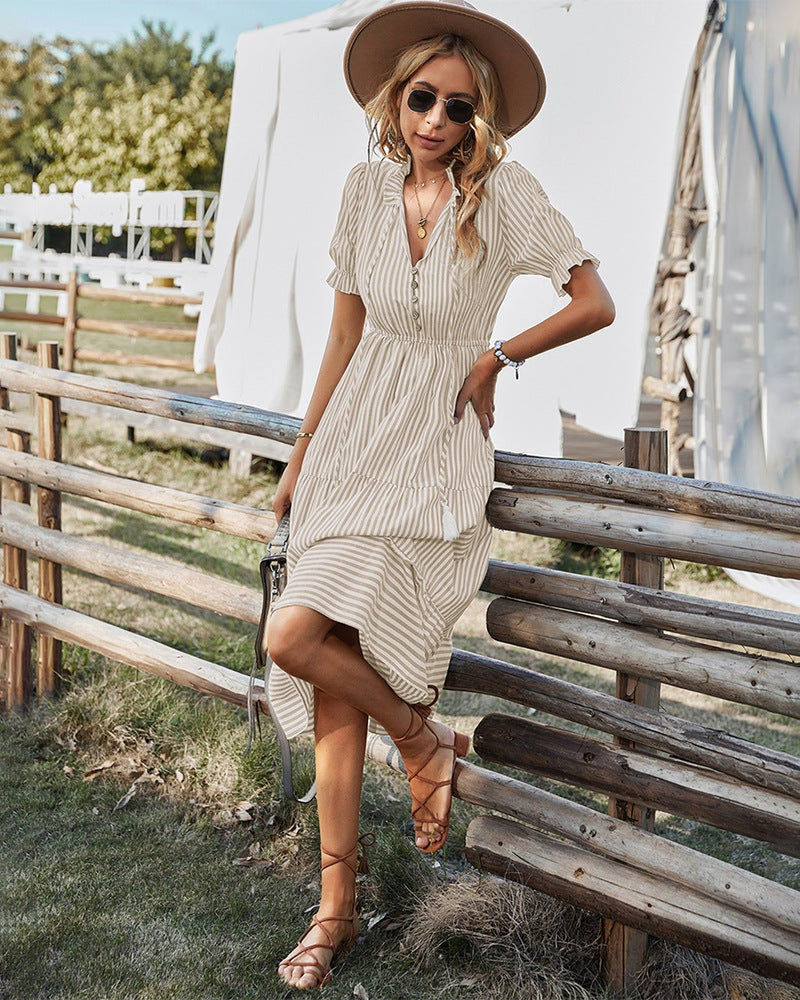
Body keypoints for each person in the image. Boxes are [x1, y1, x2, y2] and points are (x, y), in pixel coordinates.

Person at [267, 0, 615, 989]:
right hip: (348, 446)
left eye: (457, 109)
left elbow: (592, 299)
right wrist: (298, 460)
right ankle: (363, 851)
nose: (435, 121)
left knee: (315, 650)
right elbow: (340, 337)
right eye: (421, 98)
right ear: (395, 99)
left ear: (478, 120)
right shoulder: (360, 189)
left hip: (430, 448)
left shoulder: (505, 198)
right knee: (309, 649)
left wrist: (498, 352)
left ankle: (404, 771)